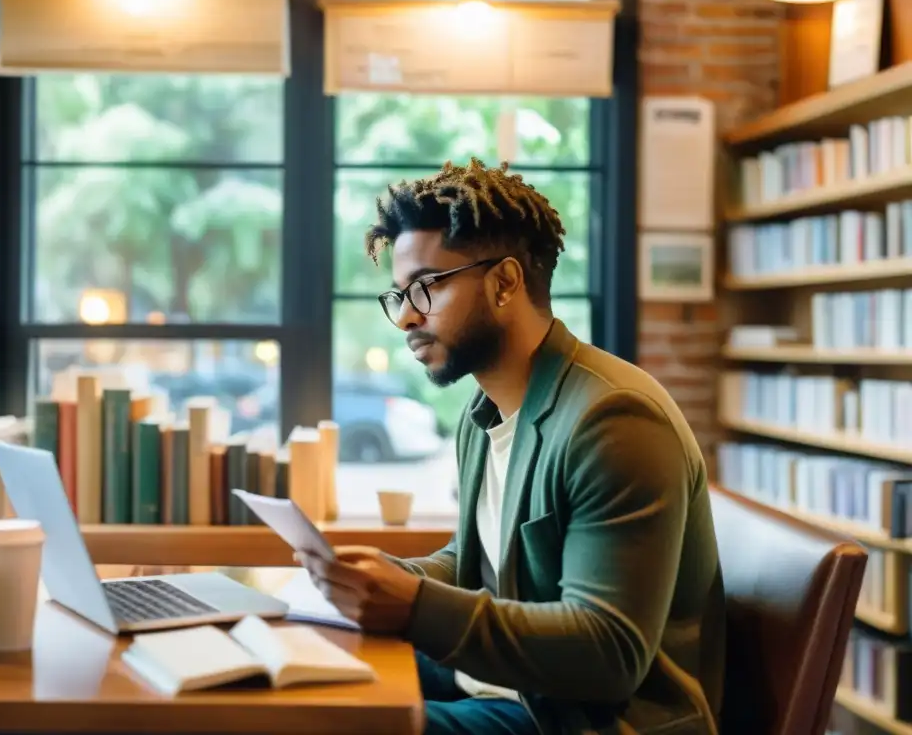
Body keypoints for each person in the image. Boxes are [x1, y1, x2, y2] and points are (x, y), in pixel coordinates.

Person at [296, 158, 725, 735]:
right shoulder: (485, 414)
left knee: (332, 722)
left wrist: (413, 606)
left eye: (426, 287)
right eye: (400, 295)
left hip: (584, 718)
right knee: (308, 676)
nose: (407, 319)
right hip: (515, 689)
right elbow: (477, 562)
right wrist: (381, 577)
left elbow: (611, 655)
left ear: (504, 282)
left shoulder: (615, 419)